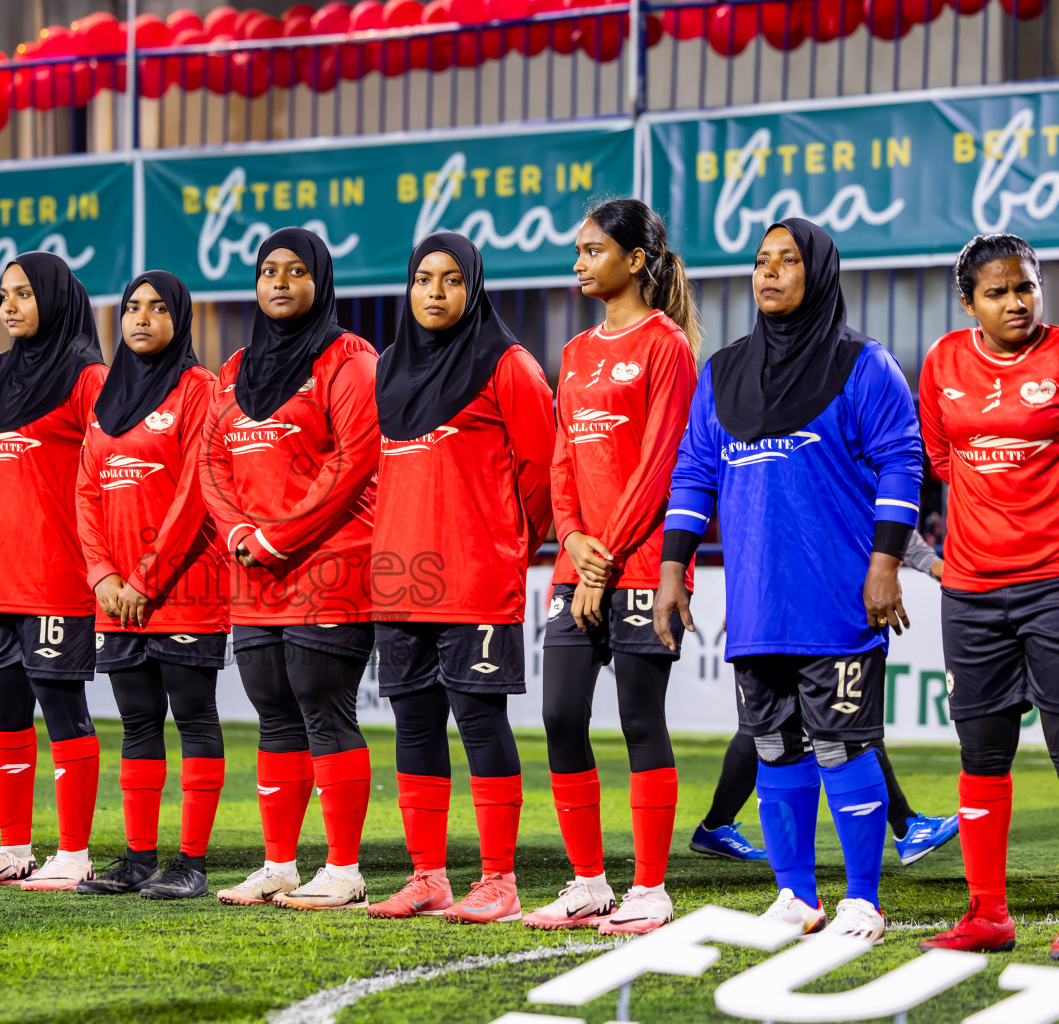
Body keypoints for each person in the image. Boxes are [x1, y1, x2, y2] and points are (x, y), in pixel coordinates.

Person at [653, 219, 923, 944]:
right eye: (760, 261)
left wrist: (885, 564)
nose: (769, 273)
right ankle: (795, 895)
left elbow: (904, 460)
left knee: (845, 748)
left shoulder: (864, 364)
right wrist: (673, 566)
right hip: (759, 604)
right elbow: (694, 471)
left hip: (839, 599)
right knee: (774, 747)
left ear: (820, 272)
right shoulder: (724, 373)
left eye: (788, 260)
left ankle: (861, 899)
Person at [365, 233, 554, 924]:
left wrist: (508, 544)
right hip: (400, 575)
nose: (434, 292)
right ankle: (428, 878)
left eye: (449, 280)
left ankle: (499, 881)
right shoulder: (386, 370)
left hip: (477, 573)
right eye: (422, 279)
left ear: (473, 287)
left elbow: (541, 472)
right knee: (413, 724)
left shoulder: (509, 365)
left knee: (479, 720)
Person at [524, 199, 699, 936]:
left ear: (635, 260)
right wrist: (570, 540)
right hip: (580, 563)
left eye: (593, 250)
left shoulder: (668, 345)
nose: (578, 264)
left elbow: (661, 466)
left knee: (638, 721)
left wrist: (606, 559)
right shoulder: (574, 353)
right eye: (578, 251)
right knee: (560, 716)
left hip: (641, 567)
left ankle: (650, 889)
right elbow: (563, 461)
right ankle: (590, 883)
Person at [202, 228, 380, 911]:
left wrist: (281, 536)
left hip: (329, 562)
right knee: (272, 711)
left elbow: (354, 463)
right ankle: (279, 864)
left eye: (295, 271)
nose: (279, 282)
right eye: (268, 271)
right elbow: (211, 461)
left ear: (321, 282)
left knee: (322, 705)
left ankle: (343, 869)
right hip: (253, 569)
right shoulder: (236, 369)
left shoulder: (349, 359)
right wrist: (240, 530)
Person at [0, 254, 107, 891]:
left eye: (23, 294)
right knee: (4, 711)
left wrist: (104, 564)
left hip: (56, 575)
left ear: (55, 299)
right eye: (4, 295)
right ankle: (13, 850)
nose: (9, 306)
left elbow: (102, 478)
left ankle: (74, 854)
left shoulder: (88, 376)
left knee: (63, 707)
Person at [917, 233, 1059, 956]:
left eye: (1026, 287)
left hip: (1053, 585)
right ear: (969, 300)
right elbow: (939, 456)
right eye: (998, 292)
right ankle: (988, 915)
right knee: (982, 754)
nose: (1016, 301)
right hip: (970, 590)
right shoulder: (943, 362)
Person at [73, 271, 229, 901]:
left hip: (184, 587)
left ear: (180, 319)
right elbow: (86, 490)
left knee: (194, 718)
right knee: (137, 722)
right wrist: (104, 575)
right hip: (117, 597)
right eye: (132, 307)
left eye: (157, 309)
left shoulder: (199, 388)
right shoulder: (108, 395)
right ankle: (138, 858)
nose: (140, 319)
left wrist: (143, 577)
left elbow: (197, 491)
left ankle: (190, 863)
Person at [691, 531, 959, 867]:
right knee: (828, 726)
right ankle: (899, 833)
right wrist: (932, 564)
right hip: (825, 605)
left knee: (774, 726)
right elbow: (879, 506)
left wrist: (747, 593)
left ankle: (719, 828)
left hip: (784, 599)